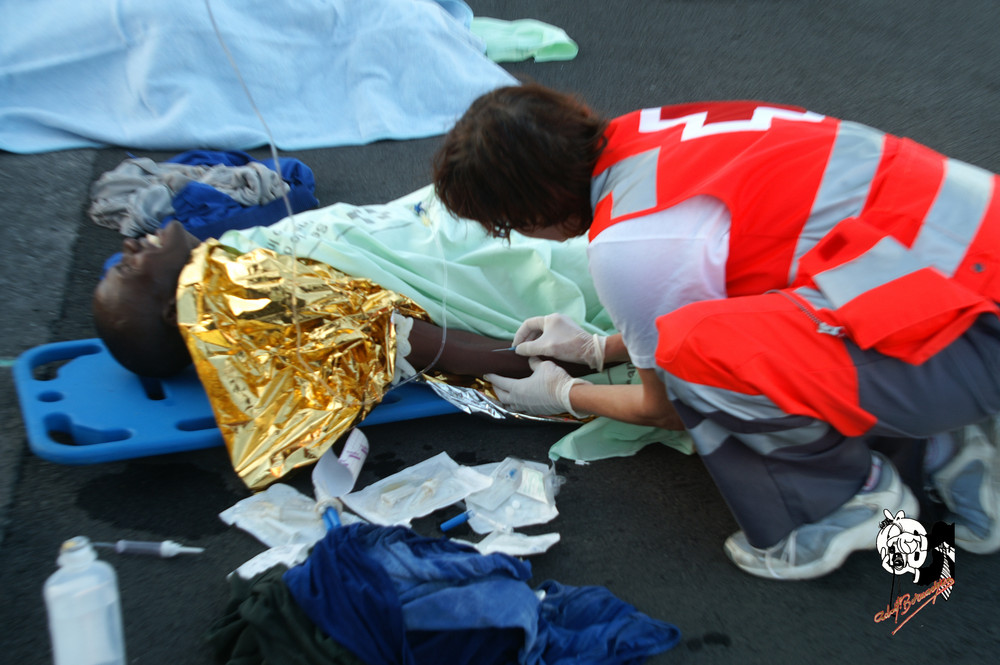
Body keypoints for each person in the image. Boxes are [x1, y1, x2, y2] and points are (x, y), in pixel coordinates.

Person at [431, 82, 1000, 579]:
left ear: (532, 212)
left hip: (974, 324)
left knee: (701, 355)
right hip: (961, 265)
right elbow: (737, 272)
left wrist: (563, 394)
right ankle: (946, 445)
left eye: (508, 226)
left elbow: (668, 405)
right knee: (740, 327)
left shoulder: (629, 247)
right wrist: (598, 349)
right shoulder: (651, 134)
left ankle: (839, 503)